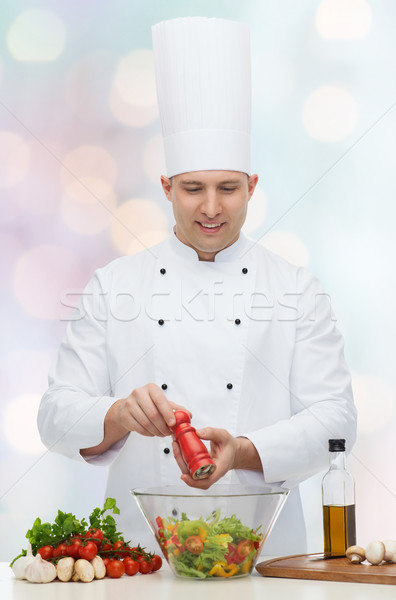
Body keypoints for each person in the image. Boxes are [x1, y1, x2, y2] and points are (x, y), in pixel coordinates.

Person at [38, 17, 356, 555]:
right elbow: (53, 417)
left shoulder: (296, 288)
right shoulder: (113, 286)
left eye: (228, 188)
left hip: (266, 561)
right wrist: (116, 416)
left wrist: (247, 449)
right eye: (192, 189)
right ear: (165, 187)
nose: (211, 207)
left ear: (252, 187)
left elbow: (337, 421)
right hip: (140, 561)